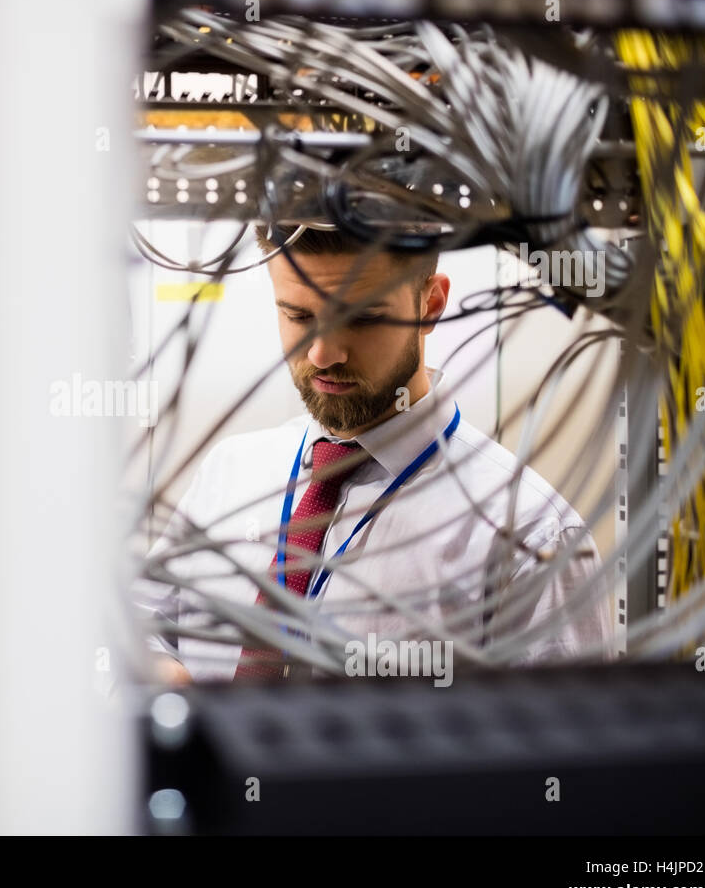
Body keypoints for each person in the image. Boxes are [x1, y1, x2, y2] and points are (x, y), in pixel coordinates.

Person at [136, 225, 614, 685]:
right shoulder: (230, 474)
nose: (323, 353)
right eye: (299, 317)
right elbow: (136, 631)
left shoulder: (529, 535)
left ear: (431, 303)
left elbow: (567, 752)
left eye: (361, 317)